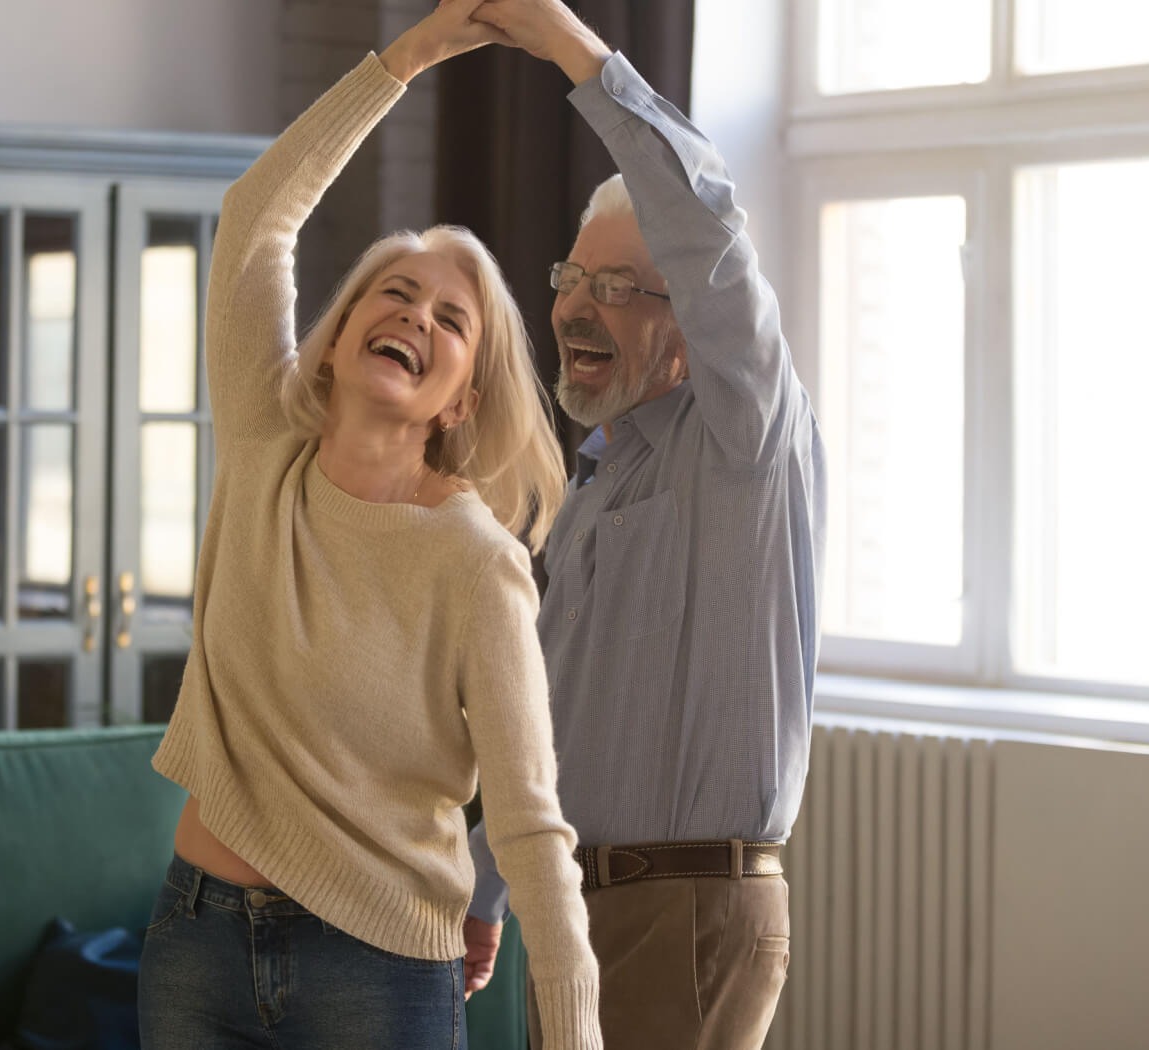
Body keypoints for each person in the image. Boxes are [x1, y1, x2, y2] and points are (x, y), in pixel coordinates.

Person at [137, 3, 603, 1048]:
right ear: (338, 336)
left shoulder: (476, 565)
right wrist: (413, 53)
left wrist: (572, 1027)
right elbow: (256, 216)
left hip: (380, 970)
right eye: (394, 295)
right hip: (195, 937)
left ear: (458, 399)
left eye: (450, 321)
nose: (415, 319)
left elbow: (528, 818)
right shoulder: (266, 448)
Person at [463, 3, 828, 1049]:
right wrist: (488, 883)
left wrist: (571, 49)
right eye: (572, 279)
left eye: (618, 288)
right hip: (579, 911)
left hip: (684, 908)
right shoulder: (597, 479)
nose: (577, 307)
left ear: (691, 323)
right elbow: (559, 719)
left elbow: (703, 225)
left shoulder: (745, 438)